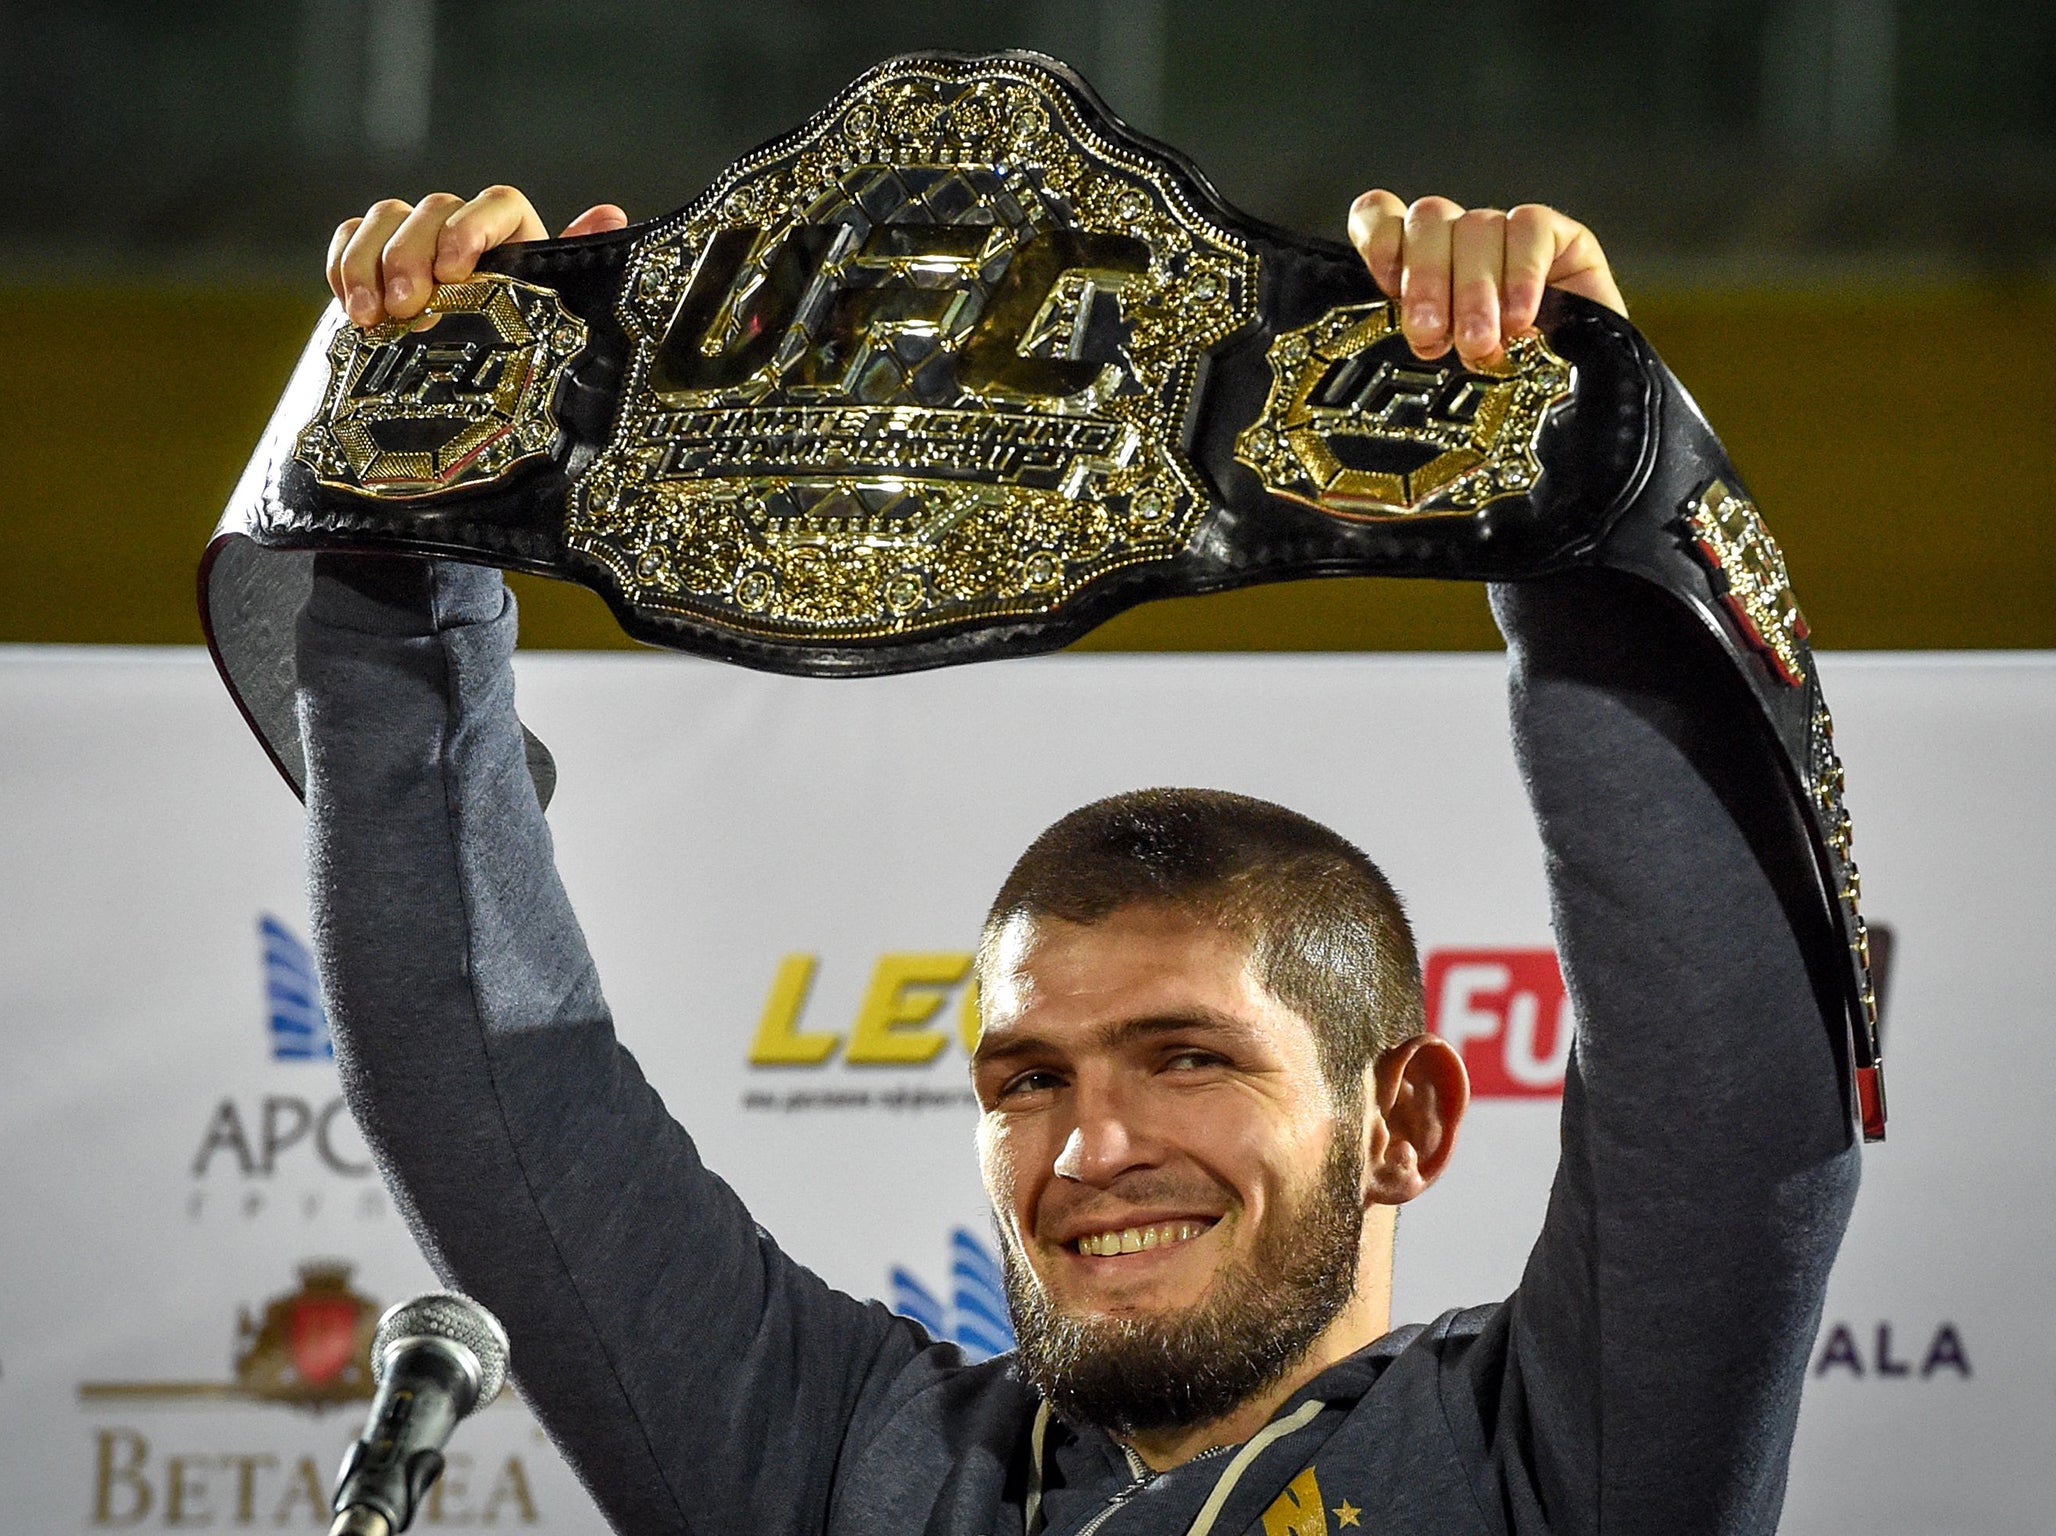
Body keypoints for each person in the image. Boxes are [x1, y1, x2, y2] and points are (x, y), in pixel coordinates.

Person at [300, 184, 1857, 1536]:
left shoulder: (1553, 1474)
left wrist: (1581, 475)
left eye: (1185, 1058)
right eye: (1028, 1079)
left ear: (1403, 1118)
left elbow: (1727, 1087)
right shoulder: (855, 1477)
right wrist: (425, 470)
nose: (1090, 1150)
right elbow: (483, 1074)